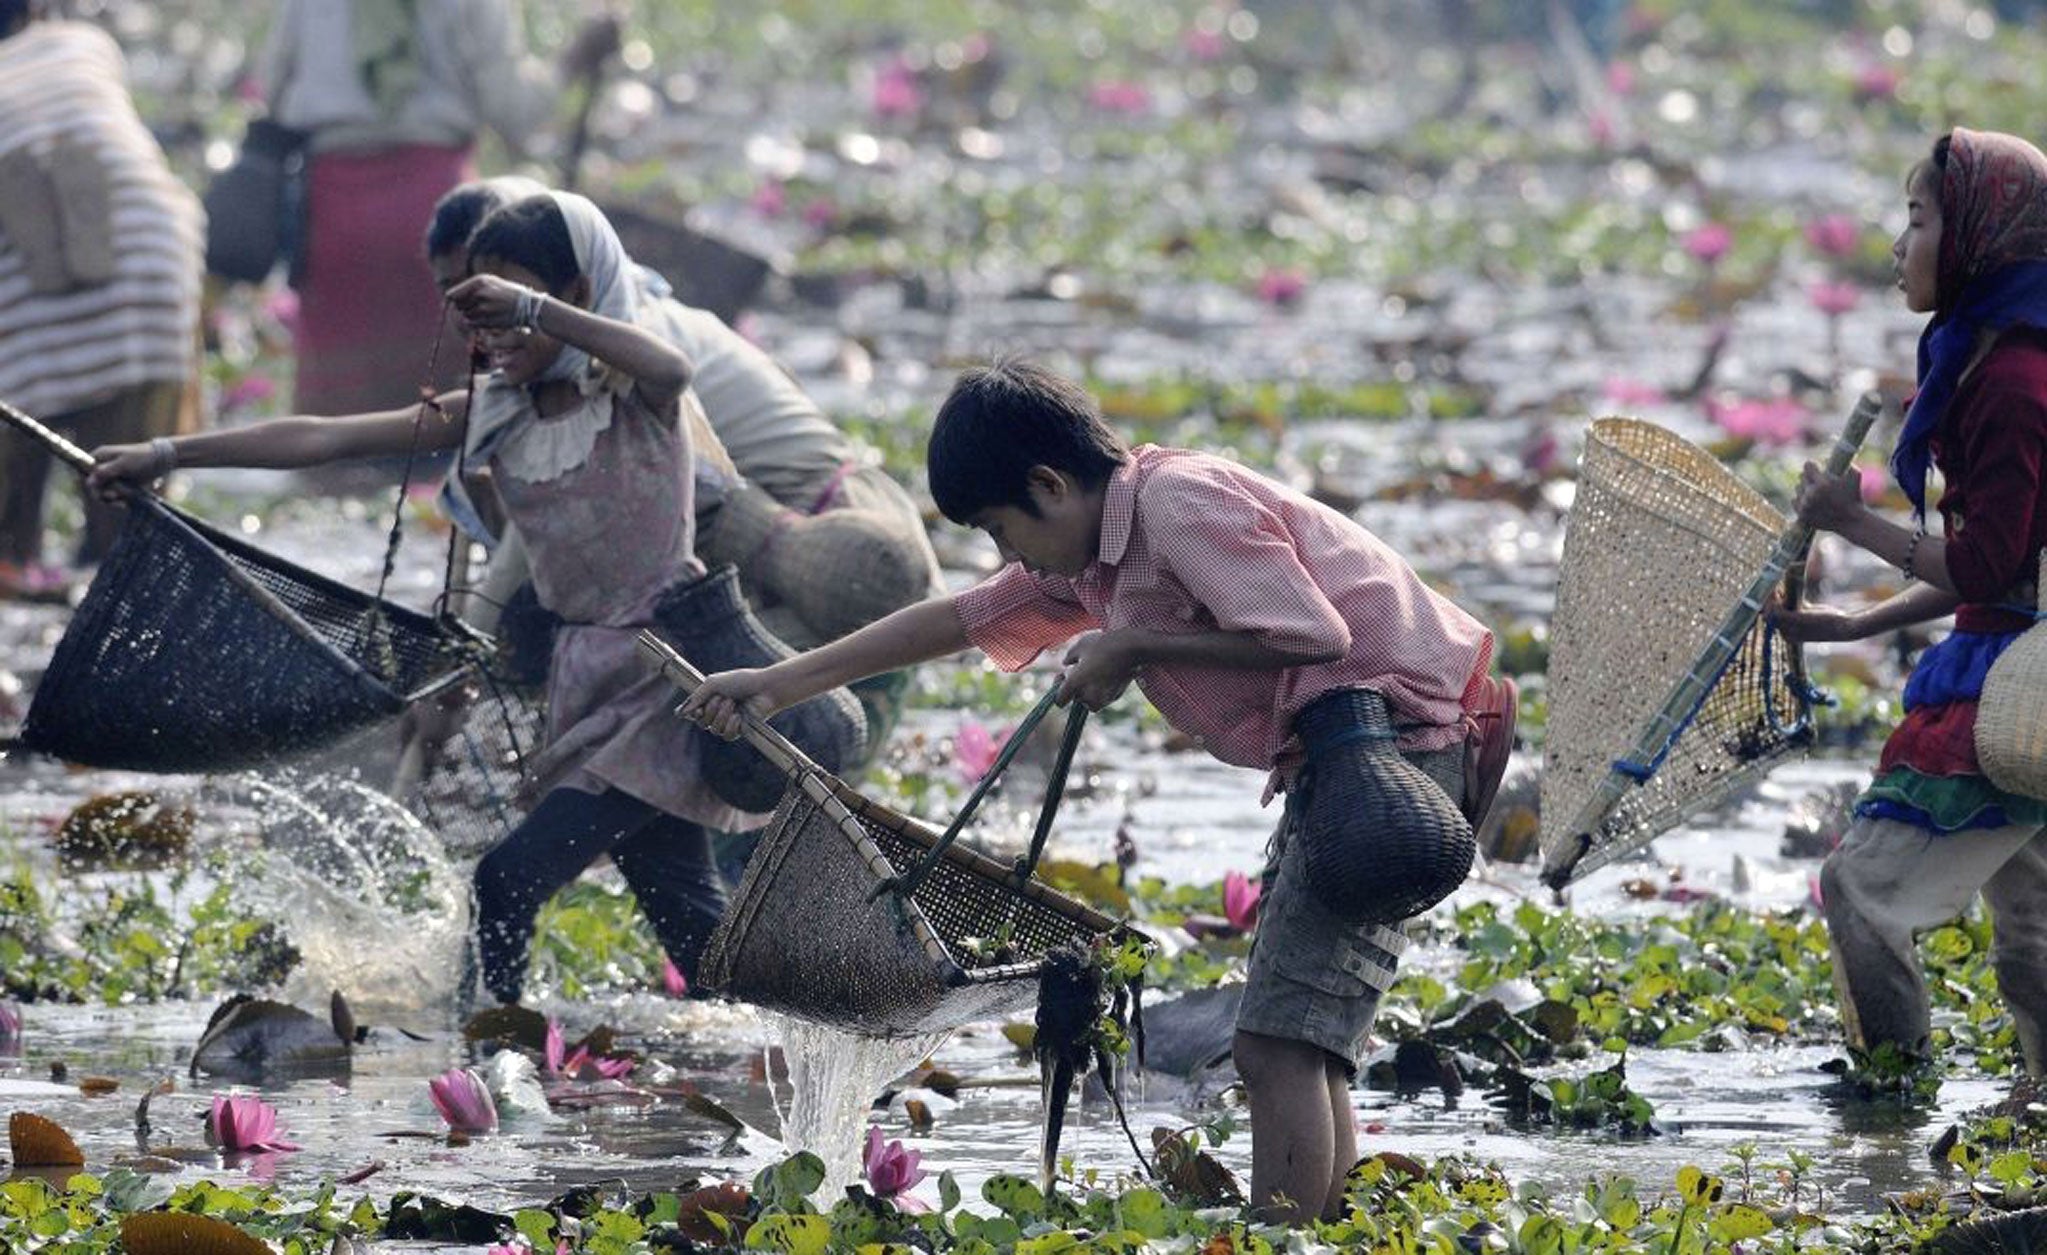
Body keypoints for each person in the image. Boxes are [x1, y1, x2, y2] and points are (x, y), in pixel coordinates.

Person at [678, 358, 1517, 1223]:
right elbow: (959, 618)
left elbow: (1312, 633)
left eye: (1002, 530)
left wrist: (1133, 646)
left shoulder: (1176, 504)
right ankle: (1312, 1230)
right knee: (1301, 1039)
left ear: (1049, 484)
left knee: (1277, 1044)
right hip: (1348, 759)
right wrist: (778, 683)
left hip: (1393, 756)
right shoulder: (1096, 558)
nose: (1006, 555)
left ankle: (1282, 1236)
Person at [89, 191, 750, 1007]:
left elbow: (671, 365)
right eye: (486, 319)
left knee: (505, 880)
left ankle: (492, 1047)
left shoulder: (636, 400)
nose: (496, 339)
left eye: (515, 311)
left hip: (661, 683)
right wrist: (166, 452)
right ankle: (770, 1039)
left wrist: (529, 309)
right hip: (585, 682)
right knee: (691, 919)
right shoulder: (498, 414)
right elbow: (324, 436)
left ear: (577, 294)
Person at [424, 177, 941, 752]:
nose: (473, 311)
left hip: (826, 552)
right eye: (456, 292)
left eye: (490, 290)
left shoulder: (615, 352)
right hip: (783, 545)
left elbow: (539, 536)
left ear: (561, 277)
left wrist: (463, 669)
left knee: (663, 708)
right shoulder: (592, 330)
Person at [1774, 127, 2047, 1080]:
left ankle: (1888, 1104)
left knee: (1859, 887)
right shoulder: (1994, 355)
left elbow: (1985, 565)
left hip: (2012, 685)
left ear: (1977, 237)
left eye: (1918, 220)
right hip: (2019, 661)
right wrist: (1858, 622)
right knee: (2032, 934)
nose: (1897, 246)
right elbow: (2013, 570)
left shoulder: (2011, 382)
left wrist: (1849, 522)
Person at [259, 0, 616, 415]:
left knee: (339, 423)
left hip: (336, 218)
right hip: (440, 216)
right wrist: (576, 57)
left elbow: (273, 89)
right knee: (447, 416)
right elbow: (515, 112)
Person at [0, 0, 203, 593]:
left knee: (10, 548)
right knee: (130, 522)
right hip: (150, 270)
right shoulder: (82, 44)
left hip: (41, 302)